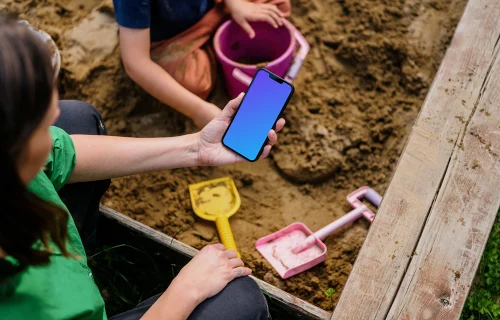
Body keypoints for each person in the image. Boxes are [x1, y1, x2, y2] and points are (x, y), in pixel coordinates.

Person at [0, 19, 285, 320]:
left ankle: (85, 269)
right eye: (43, 126)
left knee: (77, 118)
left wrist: (197, 148)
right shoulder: (23, 302)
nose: (53, 118)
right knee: (240, 299)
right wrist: (186, 290)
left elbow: (63, 153)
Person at [113, 0, 291, 128]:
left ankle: (218, 43)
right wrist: (198, 111)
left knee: (278, 7)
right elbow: (136, 62)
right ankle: (217, 46)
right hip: (173, 39)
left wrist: (235, 3)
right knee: (193, 85)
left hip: (213, 9)